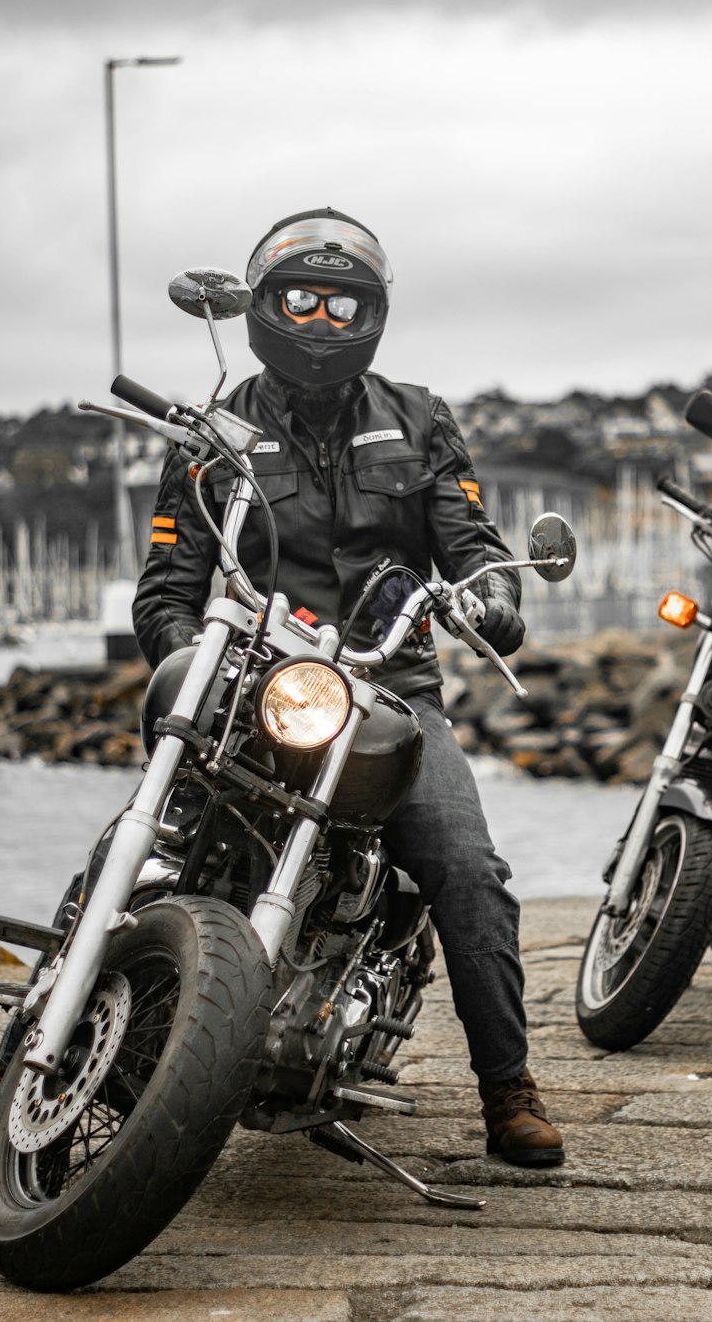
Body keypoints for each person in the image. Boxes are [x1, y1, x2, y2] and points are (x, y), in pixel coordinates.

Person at [132, 206, 565, 1166]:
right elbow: (167, 588)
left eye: (343, 303)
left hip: (386, 687)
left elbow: (472, 543)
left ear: (371, 313)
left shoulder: (419, 417)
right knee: (156, 835)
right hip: (256, 680)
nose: (322, 318)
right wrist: (185, 666)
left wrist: (493, 596)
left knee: (468, 870)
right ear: (265, 306)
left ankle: (509, 1089)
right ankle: (83, 1009)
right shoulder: (217, 429)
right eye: (302, 299)